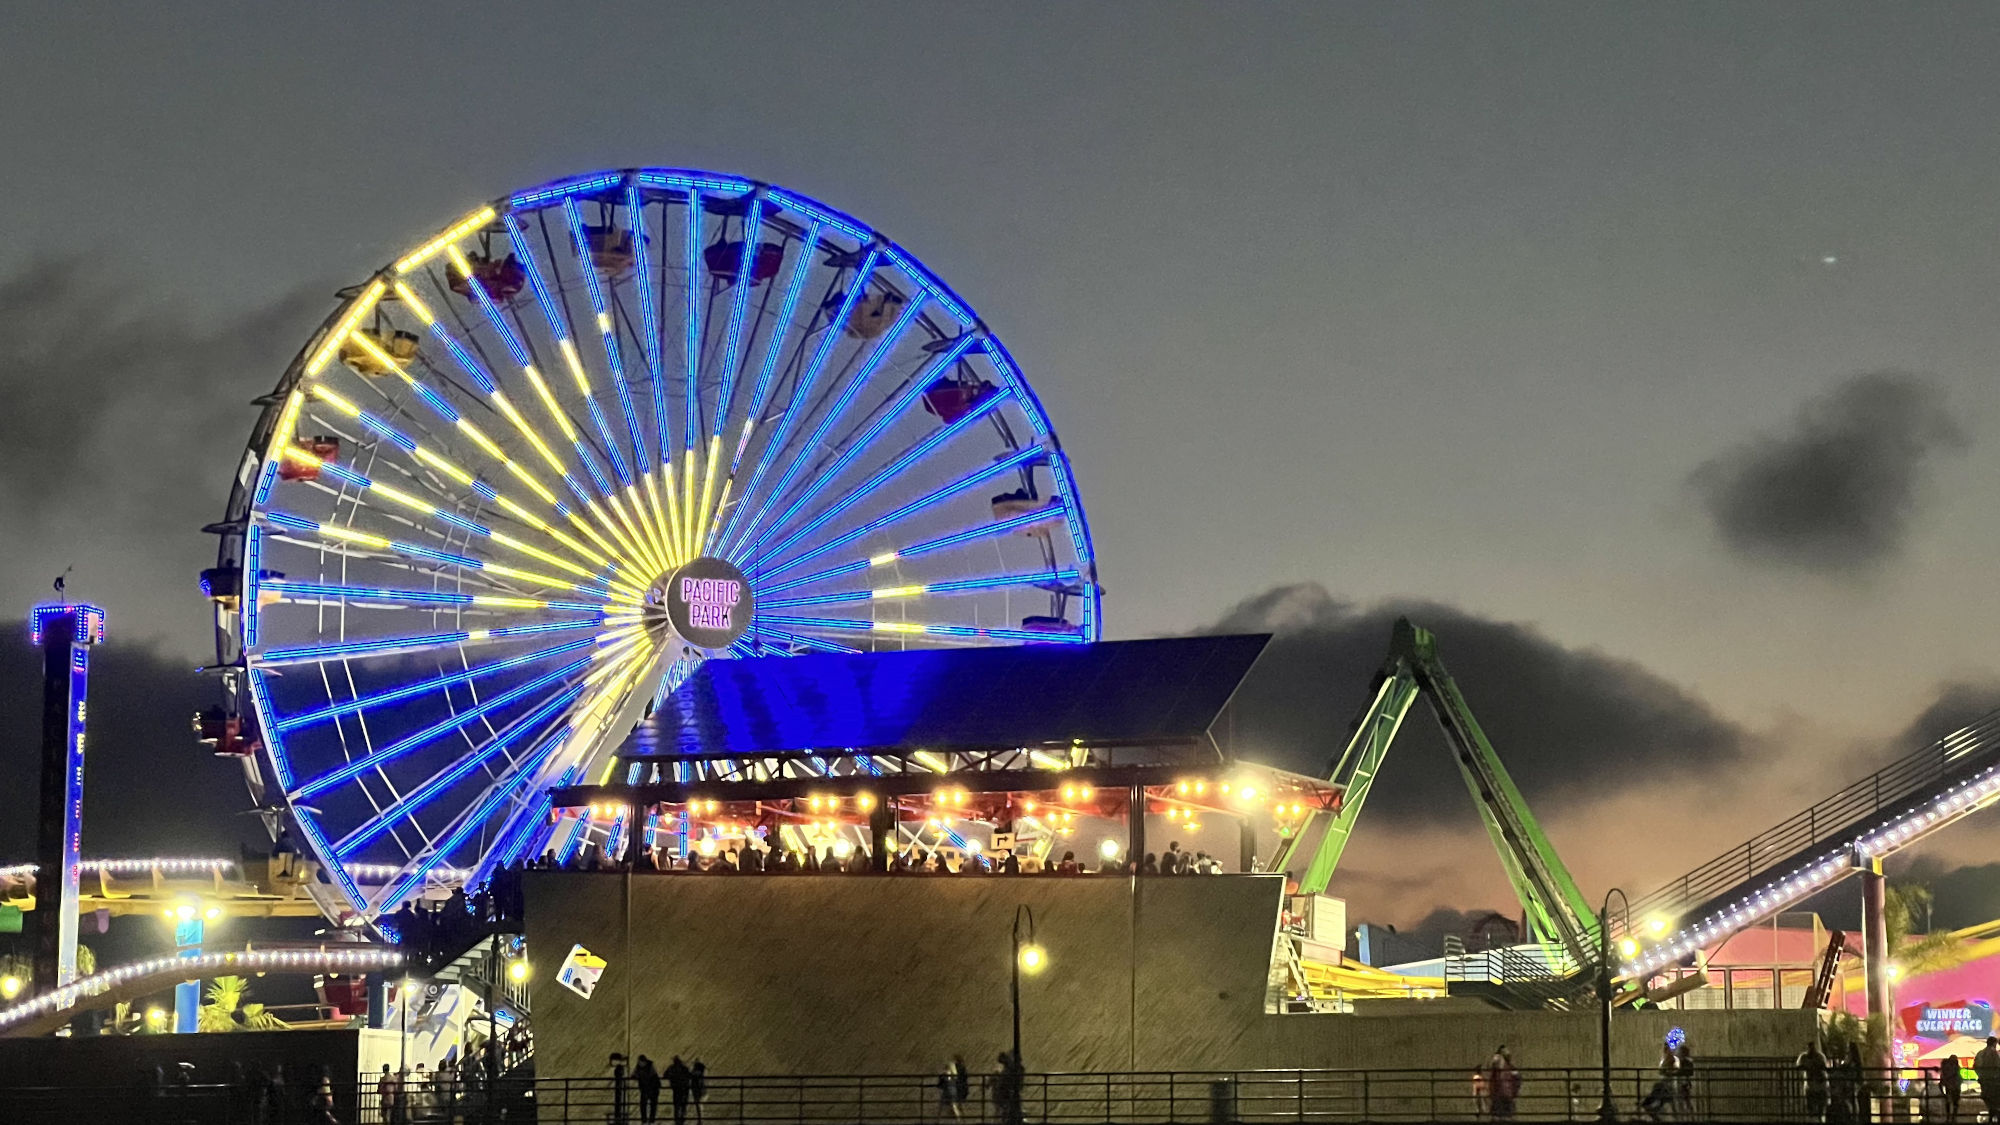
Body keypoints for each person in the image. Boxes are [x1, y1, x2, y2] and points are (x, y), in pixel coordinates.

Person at [1639, 1044, 1677, 1121]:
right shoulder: (1667, 1060)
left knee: (1663, 1101)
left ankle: (1656, 1115)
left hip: (1666, 1086)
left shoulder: (1670, 1060)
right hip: (1665, 1086)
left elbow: (1667, 1072)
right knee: (1664, 1102)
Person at [1485, 1046, 1519, 1121]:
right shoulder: (1498, 1067)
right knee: (1500, 1117)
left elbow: (1517, 1080)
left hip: (1505, 1096)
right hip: (1501, 1096)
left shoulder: (1510, 1068)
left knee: (1503, 1117)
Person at [1797, 1042, 1829, 1123]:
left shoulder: (1819, 1057)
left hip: (1817, 1084)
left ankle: (1817, 1118)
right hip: (1813, 1084)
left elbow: (1823, 1067)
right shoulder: (1806, 1057)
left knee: (1818, 1104)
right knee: (1813, 1104)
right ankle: (1816, 1118)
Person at [1975, 1037, 2000, 1123]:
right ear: (1994, 1043)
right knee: (1995, 1101)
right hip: (1993, 1081)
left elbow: (1975, 1066)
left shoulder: (1980, 1053)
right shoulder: (1994, 1054)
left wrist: (1981, 1075)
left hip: (1983, 1080)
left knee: (1988, 1099)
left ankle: (1991, 1116)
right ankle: (1994, 1117)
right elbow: (1997, 1066)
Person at [665, 1056, 694, 1125]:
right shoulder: (684, 1068)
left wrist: (671, 1078)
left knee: (676, 1105)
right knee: (683, 1105)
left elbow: (665, 1075)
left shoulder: (671, 1068)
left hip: (676, 1089)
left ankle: (677, 1120)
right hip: (684, 1089)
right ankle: (682, 1119)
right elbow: (690, 1075)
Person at [634, 1055, 662, 1125]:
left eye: (640, 1061)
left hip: (651, 1088)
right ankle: (647, 1121)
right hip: (648, 1088)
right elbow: (635, 1074)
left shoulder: (649, 1066)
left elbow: (652, 1077)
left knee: (650, 1105)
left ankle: (648, 1121)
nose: (639, 1063)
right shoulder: (644, 1066)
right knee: (647, 1104)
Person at [1941, 1053, 1963, 1124]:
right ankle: (1954, 1117)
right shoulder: (1956, 1067)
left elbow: (1943, 1077)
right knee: (1955, 1103)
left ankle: (1948, 1117)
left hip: (1949, 1085)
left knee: (1948, 1102)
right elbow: (1958, 1077)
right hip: (1955, 1086)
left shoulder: (1945, 1067)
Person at [608, 1052, 629, 1125]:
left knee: (619, 1098)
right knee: (619, 1098)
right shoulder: (621, 1075)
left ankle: (618, 1116)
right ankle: (618, 1116)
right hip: (619, 1085)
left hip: (619, 1085)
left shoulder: (617, 1072)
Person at [1675, 1041, 1695, 1119]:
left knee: (1685, 1101)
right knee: (1683, 1102)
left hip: (1683, 1084)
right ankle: (1684, 1117)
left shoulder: (1685, 1063)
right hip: (1681, 1083)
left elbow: (1689, 1073)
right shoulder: (1681, 1062)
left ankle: (1687, 1117)